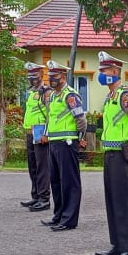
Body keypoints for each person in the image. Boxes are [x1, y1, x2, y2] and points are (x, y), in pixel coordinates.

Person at [94, 51, 128, 255]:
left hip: (122, 155)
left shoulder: (126, 96)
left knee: (123, 203)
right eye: (101, 70)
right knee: (112, 201)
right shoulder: (110, 97)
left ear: (115, 71)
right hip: (110, 154)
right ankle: (117, 244)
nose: (101, 74)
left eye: (105, 70)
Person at [40, 60, 87, 232]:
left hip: (67, 142)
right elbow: (50, 118)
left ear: (64, 77)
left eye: (55, 76)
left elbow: (81, 120)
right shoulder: (53, 96)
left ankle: (69, 219)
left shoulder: (70, 95)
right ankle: (58, 215)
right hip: (54, 143)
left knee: (69, 182)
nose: (52, 79)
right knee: (56, 181)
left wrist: (79, 139)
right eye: (50, 76)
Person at [20, 61, 52, 212]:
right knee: (32, 166)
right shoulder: (32, 92)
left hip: (41, 133)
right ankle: (36, 196)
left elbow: (50, 114)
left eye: (34, 74)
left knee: (42, 167)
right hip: (31, 132)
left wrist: (46, 133)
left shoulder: (46, 92)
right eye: (30, 75)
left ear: (41, 75)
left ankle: (44, 199)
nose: (31, 78)